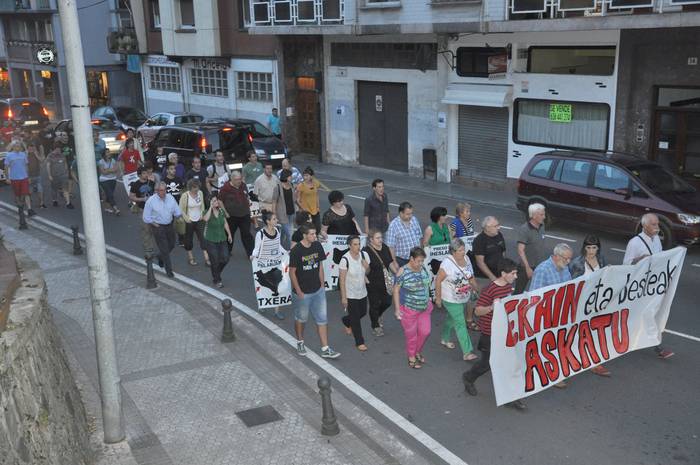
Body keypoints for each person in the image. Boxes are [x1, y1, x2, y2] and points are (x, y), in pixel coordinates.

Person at [462, 258, 527, 411]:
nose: (516, 276)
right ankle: (468, 377)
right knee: (486, 364)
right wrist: (492, 307)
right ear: (503, 274)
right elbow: (478, 311)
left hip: (505, 333)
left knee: (510, 364)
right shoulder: (490, 289)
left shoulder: (509, 287)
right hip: (490, 334)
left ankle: (510, 397)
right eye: (513, 273)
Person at [622, 213, 674, 359]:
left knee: (646, 314)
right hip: (640, 287)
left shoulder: (656, 239)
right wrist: (640, 259)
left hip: (654, 284)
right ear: (644, 226)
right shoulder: (634, 243)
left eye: (657, 224)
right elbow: (626, 265)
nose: (657, 227)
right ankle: (658, 347)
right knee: (647, 314)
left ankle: (628, 339)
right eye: (654, 224)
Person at [289, 224, 341, 359]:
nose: (314, 236)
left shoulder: (317, 246)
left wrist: (322, 285)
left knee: (322, 320)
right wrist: (299, 291)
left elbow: (320, 267)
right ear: (304, 235)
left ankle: (325, 348)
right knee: (301, 319)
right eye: (311, 234)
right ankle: (300, 341)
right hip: (303, 292)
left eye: (314, 234)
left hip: (318, 290)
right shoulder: (296, 251)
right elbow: (292, 273)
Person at [529, 243, 574, 389]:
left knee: (558, 344)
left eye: (569, 259)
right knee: (549, 346)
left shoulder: (564, 267)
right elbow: (534, 296)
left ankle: (551, 372)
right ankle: (552, 375)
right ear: (556, 256)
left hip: (560, 313)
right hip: (545, 315)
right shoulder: (543, 270)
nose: (568, 262)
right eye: (566, 259)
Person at [568, 234, 611, 377]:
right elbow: (570, 285)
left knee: (594, 330)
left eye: (594, 248)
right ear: (584, 248)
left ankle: (592, 361)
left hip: (597, 301)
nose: (591, 251)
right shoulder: (577, 263)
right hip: (580, 302)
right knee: (580, 330)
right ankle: (579, 358)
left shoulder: (601, 259)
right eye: (588, 248)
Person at [435, 239, 479, 361]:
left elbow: (471, 276)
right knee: (460, 322)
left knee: (452, 318)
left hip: (463, 296)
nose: (463, 252)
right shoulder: (446, 264)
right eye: (460, 250)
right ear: (453, 252)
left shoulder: (467, 259)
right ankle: (467, 351)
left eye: (463, 249)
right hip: (450, 298)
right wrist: (438, 298)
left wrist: (476, 288)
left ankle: (445, 338)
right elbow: (438, 280)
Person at [393, 247, 432, 369]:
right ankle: (411, 356)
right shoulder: (402, 271)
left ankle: (417, 351)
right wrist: (397, 309)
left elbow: (426, 285)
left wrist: (429, 299)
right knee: (412, 336)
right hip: (409, 310)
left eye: (422, 261)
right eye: (419, 261)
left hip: (424, 308)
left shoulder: (423, 268)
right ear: (411, 259)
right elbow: (396, 290)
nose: (421, 263)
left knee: (425, 332)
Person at [142, 182, 182, 278]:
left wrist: (179, 216)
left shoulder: (170, 198)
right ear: (156, 191)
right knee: (164, 248)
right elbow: (146, 217)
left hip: (169, 225)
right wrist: (154, 223)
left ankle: (160, 256)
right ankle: (169, 271)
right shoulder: (151, 201)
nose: (163, 192)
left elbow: (177, 210)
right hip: (158, 227)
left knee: (171, 244)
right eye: (161, 190)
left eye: (164, 190)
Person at [364, 229, 398, 336]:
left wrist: (397, 274)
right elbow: (364, 269)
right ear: (371, 240)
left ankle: (378, 315)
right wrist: (364, 276)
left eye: (381, 237)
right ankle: (375, 326)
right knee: (374, 305)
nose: (380, 240)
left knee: (387, 302)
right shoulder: (366, 251)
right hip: (372, 283)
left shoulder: (385, 248)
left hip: (385, 281)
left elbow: (389, 263)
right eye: (377, 238)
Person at [252, 210, 285, 320]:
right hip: (264, 265)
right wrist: (253, 256)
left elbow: (278, 246)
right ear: (268, 221)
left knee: (278, 286)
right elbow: (256, 249)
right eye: (274, 219)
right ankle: (262, 304)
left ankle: (277, 311)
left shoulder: (277, 230)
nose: (277, 220)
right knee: (264, 286)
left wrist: (286, 252)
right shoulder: (260, 234)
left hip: (276, 264)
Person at [339, 235, 371, 351]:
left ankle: (346, 321)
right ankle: (359, 342)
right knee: (356, 319)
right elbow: (341, 280)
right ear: (349, 246)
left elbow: (367, 272)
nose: (358, 246)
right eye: (355, 244)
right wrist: (344, 298)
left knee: (362, 312)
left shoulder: (364, 255)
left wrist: (367, 267)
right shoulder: (345, 259)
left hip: (362, 290)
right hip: (350, 293)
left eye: (359, 244)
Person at [218, 170, 254, 257]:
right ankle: (227, 251)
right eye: (237, 179)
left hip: (245, 214)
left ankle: (251, 253)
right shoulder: (225, 188)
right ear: (232, 179)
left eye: (240, 179)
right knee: (229, 234)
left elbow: (246, 195)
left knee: (246, 234)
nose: (239, 181)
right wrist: (225, 212)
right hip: (231, 216)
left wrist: (248, 203)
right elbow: (220, 201)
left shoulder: (243, 185)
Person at [515, 203, 548, 294]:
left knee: (538, 291)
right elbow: (520, 250)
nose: (544, 217)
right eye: (541, 215)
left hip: (540, 267)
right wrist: (527, 268)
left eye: (544, 214)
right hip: (526, 267)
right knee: (518, 292)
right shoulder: (524, 230)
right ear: (533, 216)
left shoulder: (542, 226)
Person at [203, 195, 232, 288]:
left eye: (217, 200)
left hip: (222, 238)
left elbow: (225, 222)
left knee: (225, 258)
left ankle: (216, 272)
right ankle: (217, 280)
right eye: (214, 201)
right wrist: (211, 208)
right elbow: (205, 219)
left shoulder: (221, 211)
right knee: (214, 260)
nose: (217, 202)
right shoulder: (206, 212)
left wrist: (229, 234)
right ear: (210, 203)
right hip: (211, 240)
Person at [179, 178, 209, 266]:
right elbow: (181, 209)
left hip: (199, 220)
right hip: (189, 221)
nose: (197, 189)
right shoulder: (185, 196)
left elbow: (202, 205)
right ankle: (190, 257)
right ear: (190, 188)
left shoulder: (200, 193)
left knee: (203, 239)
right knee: (188, 240)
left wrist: (202, 215)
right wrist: (187, 219)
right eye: (195, 188)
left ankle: (207, 258)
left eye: (198, 187)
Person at [385, 202, 422, 267]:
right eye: (407, 214)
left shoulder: (414, 220)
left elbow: (419, 237)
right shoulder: (393, 226)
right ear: (401, 213)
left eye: (411, 213)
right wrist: (394, 262)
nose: (410, 216)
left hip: (416, 258)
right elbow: (390, 247)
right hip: (402, 261)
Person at [472, 216, 506, 282]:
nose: (499, 228)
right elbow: (480, 263)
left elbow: (503, 252)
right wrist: (493, 278)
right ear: (487, 228)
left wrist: (504, 269)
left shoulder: (499, 235)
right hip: (485, 278)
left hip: (499, 274)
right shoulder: (479, 241)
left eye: (498, 225)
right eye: (496, 226)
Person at [4, 141, 34, 215]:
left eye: (19, 146)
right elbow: (6, 167)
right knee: (17, 195)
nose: (18, 148)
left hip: (24, 177)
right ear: (13, 147)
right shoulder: (9, 155)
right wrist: (7, 178)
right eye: (17, 146)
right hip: (14, 178)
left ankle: (29, 209)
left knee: (26, 193)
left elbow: (26, 166)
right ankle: (20, 208)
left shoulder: (23, 154)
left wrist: (28, 176)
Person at [46, 141, 73, 209]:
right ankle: (55, 200)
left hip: (63, 175)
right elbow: (48, 166)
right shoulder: (50, 156)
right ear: (54, 149)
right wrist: (49, 175)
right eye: (57, 149)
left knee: (65, 189)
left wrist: (66, 172)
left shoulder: (62, 155)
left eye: (59, 149)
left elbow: (65, 163)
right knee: (54, 189)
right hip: (54, 176)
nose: (58, 150)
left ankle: (68, 203)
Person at [296, 167, 321, 232]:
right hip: (306, 211)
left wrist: (318, 206)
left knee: (317, 228)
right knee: (307, 230)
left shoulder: (316, 183)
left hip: (315, 210)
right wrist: (303, 209)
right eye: (304, 175)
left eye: (307, 175)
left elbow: (317, 195)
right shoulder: (301, 186)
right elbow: (297, 200)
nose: (305, 177)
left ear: (311, 176)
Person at [97, 147, 120, 215]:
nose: (109, 153)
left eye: (109, 152)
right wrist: (111, 170)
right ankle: (116, 209)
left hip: (113, 179)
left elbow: (116, 169)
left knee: (109, 194)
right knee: (110, 194)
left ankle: (107, 208)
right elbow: (103, 172)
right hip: (104, 180)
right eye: (107, 152)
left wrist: (107, 170)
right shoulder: (101, 162)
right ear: (104, 154)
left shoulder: (113, 160)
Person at [277, 170, 296, 250]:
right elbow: (274, 201)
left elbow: (293, 198)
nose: (291, 177)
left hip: (291, 212)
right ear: (286, 177)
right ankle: (291, 251)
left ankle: (279, 246)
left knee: (284, 232)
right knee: (290, 233)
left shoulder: (291, 185)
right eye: (290, 176)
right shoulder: (278, 187)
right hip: (282, 215)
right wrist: (274, 214)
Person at [26, 142, 46, 209]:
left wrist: (36, 154)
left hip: (37, 175)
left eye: (32, 148)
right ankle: (28, 202)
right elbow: (24, 165)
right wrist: (27, 177)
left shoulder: (36, 153)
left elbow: (42, 160)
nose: (31, 149)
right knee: (30, 191)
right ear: (28, 148)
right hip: (29, 176)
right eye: (30, 148)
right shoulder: (25, 155)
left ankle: (41, 203)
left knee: (40, 190)